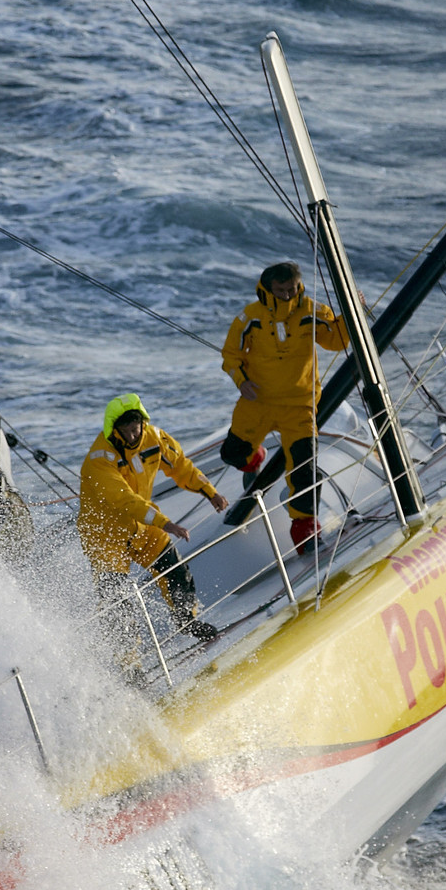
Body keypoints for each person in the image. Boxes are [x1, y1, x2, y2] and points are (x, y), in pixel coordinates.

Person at [78, 393, 228, 657]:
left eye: (137, 427)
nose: (134, 434)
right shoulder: (99, 459)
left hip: (142, 526)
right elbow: (125, 501)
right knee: (117, 601)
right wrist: (166, 523)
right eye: (127, 429)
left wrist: (210, 491)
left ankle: (187, 621)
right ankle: (129, 662)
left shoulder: (155, 438)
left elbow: (181, 466)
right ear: (115, 430)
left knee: (175, 570)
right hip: (104, 536)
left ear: (143, 422)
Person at [219, 260, 350, 552]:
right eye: (282, 291)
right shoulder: (249, 318)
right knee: (231, 454)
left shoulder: (312, 311)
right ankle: (254, 457)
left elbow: (335, 341)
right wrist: (241, 381)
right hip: (258, 401)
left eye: (292, 289)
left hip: (299, 404)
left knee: (305, 468)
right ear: (268, 289)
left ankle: (305, 532)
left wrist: (350, 316)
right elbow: (230, 355)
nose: (289, 295)